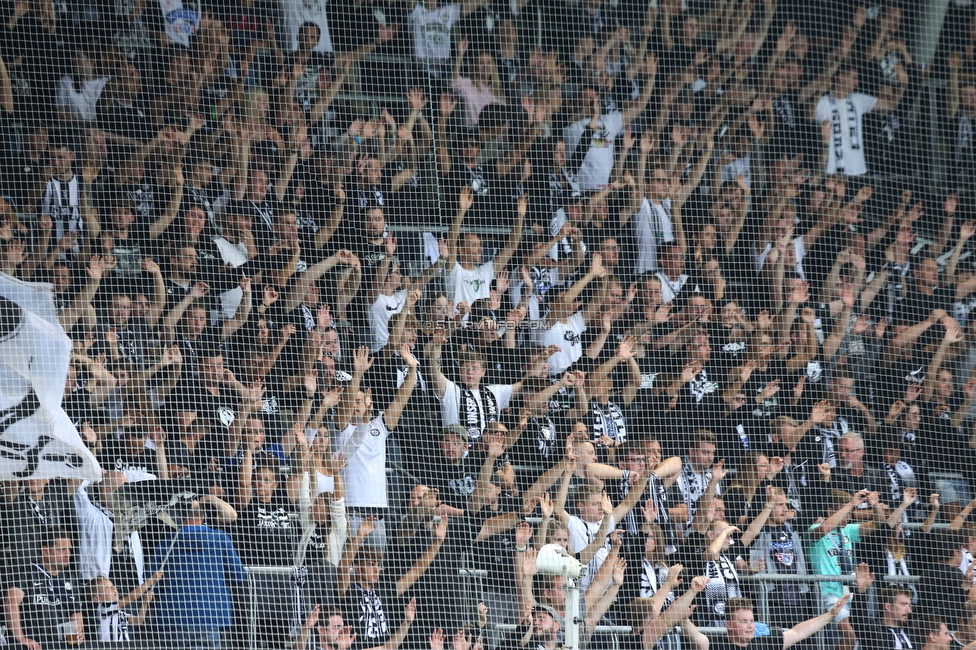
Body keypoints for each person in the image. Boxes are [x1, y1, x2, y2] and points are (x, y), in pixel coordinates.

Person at [147, 499, 248, 650]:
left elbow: (151, 583)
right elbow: (239, 576)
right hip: (211, 617)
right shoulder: (219, 539)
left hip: (171, 618)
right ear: (203, 516)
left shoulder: (166, 544)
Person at [5, 529, 85, 650]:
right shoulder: (29, 572)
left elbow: (76, 612)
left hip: (61, 645)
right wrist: (21, 638)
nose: (67, 554)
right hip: (35, 645)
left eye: (69, 549)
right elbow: (11, 601)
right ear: (46, 551)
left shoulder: (70, 578)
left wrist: (77, 632)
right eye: (61, 550)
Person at [680, 595, 852, 650]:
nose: (749, 626)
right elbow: (696, 637)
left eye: (751, 621)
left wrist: (829, 615)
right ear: (729, 624)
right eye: (743, 622)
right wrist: (683, 619)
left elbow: (798, 632)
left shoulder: (765, 643)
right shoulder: (718, 645)